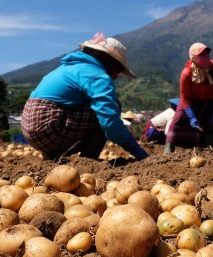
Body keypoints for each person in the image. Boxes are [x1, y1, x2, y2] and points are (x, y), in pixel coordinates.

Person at [21, 32, 148, 161]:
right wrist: (140, 153)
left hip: (31, 130)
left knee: (95, 104)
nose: (114, 77)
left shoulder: (69, 68)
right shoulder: (97, 75)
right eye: (116, 72)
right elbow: (110, 123)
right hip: (49, 129)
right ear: (110, 63)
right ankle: (88, 160)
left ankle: (53, 156)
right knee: (111, 106)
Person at [164, 42, 213, 154]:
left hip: (209, 99)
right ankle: (168, 148)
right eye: (201, 55)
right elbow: (184, 97)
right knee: (177, 120)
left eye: (207, 53)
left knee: (208, 123)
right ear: (193, 58)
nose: (205, 57)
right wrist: (191, 117)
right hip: (190, 99)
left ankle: (206, 148)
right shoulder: (187, 73)